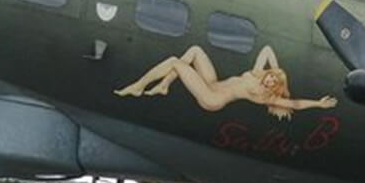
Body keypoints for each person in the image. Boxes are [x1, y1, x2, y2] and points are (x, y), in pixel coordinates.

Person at [115, 45, 337, 120]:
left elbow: (295, 104)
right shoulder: (257, 73)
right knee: (194, 51)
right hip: (213, 84)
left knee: (175, 62)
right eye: (271, 76)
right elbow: (267, 50)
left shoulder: (264, 95)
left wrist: (319, 104)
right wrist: (277, 69)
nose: (270, 79)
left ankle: (139, 86)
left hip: (212, 98)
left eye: (273, 81)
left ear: (274, 87)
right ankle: (164, 86)